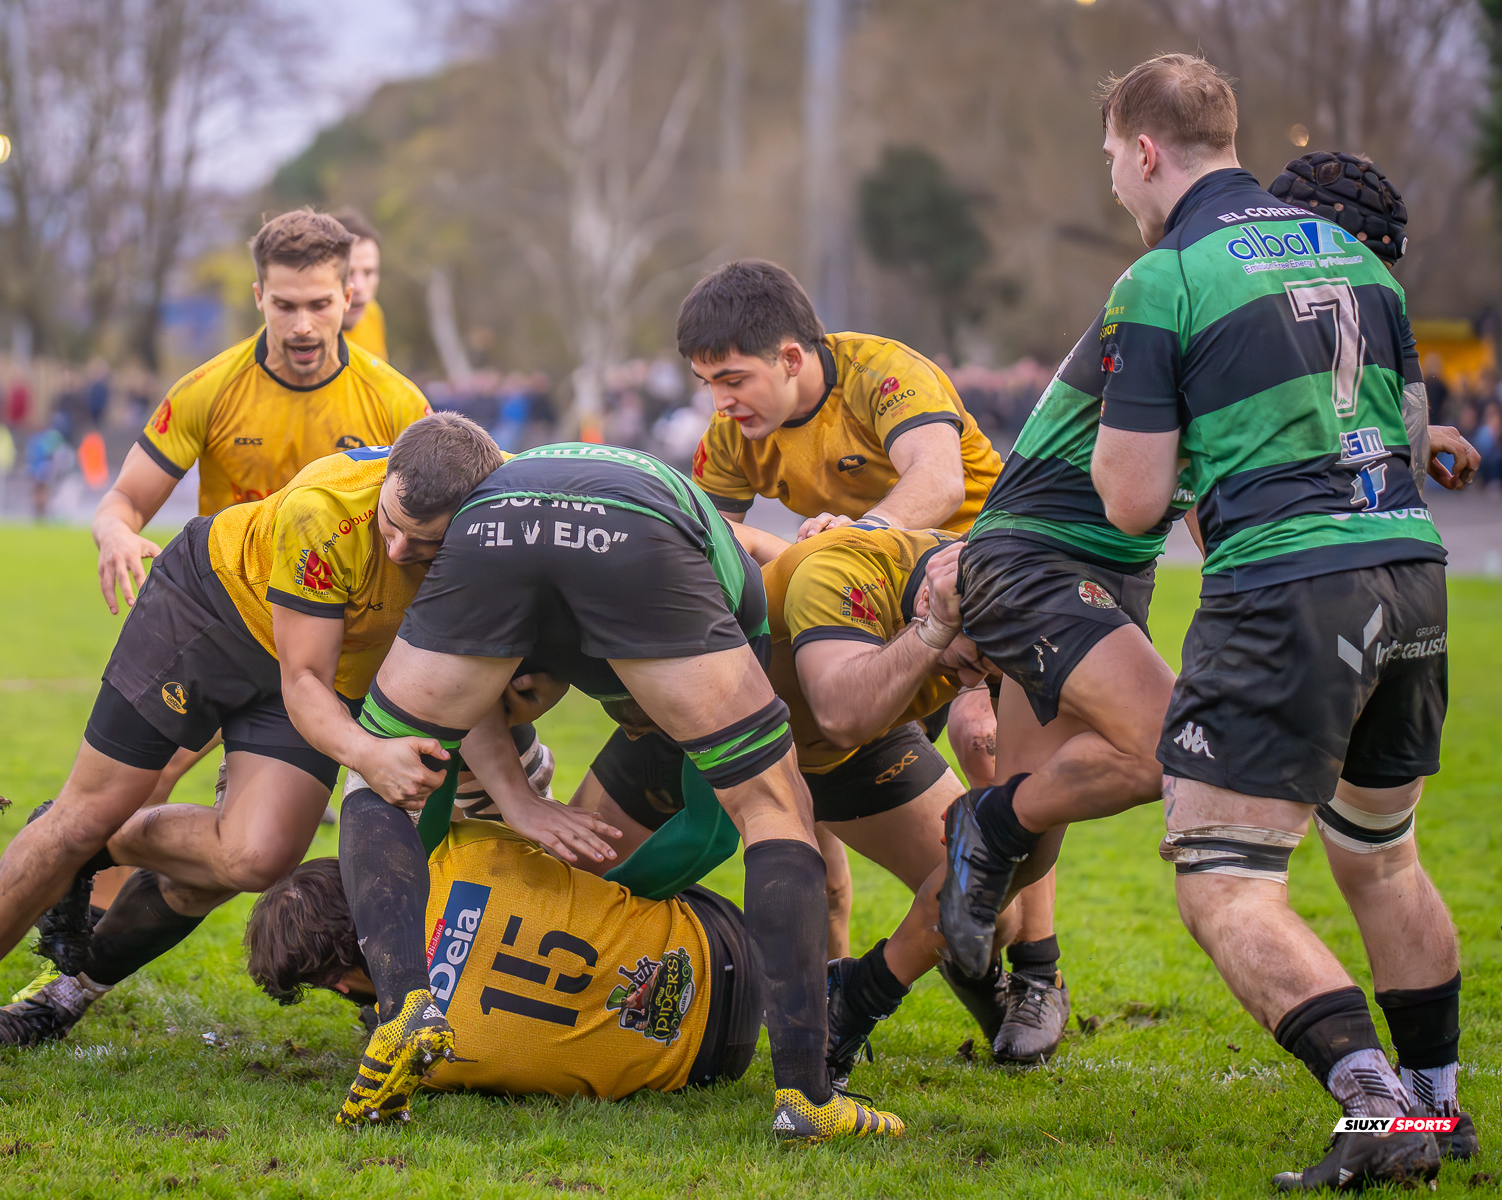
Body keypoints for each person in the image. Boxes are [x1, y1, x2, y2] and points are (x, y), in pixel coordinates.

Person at [1013, 53, 1473, 1190]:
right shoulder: (1355, 255)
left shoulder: (1163, 277)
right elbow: (1407, 436)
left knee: (1224, 877)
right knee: (1380, 853)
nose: (1115, 180)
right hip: (1411, 572)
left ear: (1146, 149)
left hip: (1285, 590)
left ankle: (1378, 1109)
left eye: (1113, 158)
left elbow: (1126, 499)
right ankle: (1440, 1106)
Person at [0, 416, 591, 1054]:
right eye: (390, 525)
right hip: (208, 615)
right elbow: (303, 683)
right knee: (87, 811)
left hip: (323, 665)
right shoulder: (325, 509)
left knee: (257, 856)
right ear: (386, 478)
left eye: (422, 542)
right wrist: (367, 753)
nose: (397, 551)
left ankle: (93, 850)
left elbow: (470, 684)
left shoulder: (489, 550)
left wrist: (517, 798)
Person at [327, 441, 907, 1143]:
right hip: (638, 533)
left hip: (502, 526)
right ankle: (808, 1100)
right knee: (771, 807)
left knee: (376, 771)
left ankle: (404, 1006)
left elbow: (426, 753)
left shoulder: (509, 537)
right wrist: (577, 879)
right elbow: (719, 830)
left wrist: (477, 899)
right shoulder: (687, 614)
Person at [675, 259, 1066, 1056]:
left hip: (984, 586)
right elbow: (705, 554)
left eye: (732, 378)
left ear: (791, 357)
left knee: (990, 751)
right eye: (705, 382)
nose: (718, 401)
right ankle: (860, 988)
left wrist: (861, 534)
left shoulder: (882, 373)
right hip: (864, 612)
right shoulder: (732, 436)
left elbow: (937, 479)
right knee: (843, 810)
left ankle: (1037, 974)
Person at [85, 209, 429, 903]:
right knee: (136, 787)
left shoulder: (396, 401)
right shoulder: (210, 388)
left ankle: (389, 976)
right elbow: (122, 501)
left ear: (348, 302)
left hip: (333, 640)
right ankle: (71, 947)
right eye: (285, 305)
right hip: (227, 620)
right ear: (257, 299)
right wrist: (117, 533)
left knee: (249, 851)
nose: (303, 325)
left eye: (320, 304)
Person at [245, 820, 762, 1102]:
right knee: (574, 847)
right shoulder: (465, 851)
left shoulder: (429, 1068)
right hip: (722, 939)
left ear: (336, 983)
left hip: (711, 1064)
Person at [334, 209, 387, 363]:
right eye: (347, 273)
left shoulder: (372, 314)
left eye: (369, 272)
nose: (359, 286)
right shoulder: (285, 344)